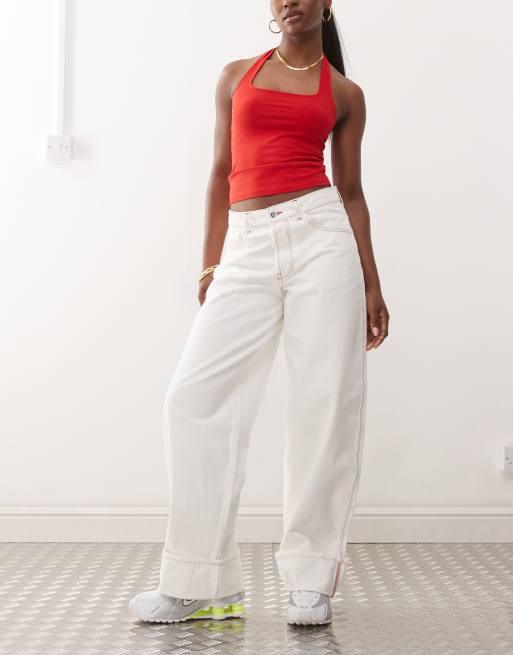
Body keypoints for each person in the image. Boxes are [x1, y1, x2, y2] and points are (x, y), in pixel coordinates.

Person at [129, 0, 389, 626]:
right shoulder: (236, 75)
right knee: (193, 400)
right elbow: (221, 174)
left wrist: (372, 283)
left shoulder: (345, 94)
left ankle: (311, 579)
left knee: (325, 403)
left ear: (326, 4)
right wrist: (210, 264)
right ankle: (199, 581)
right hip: (245, 247)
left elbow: (352, 192)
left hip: (321, 240)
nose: (289, 0)